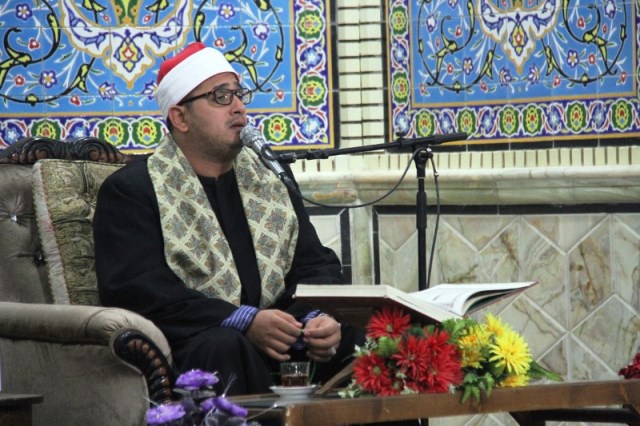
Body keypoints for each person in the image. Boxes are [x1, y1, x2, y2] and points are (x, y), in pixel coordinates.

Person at [93, 42, 363, 396]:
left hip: (280, 339)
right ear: (180, 117)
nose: (239, 107)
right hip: (196, 341)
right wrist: (245, 321)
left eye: (239, 94)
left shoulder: (270, 178)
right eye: (221, 97)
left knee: (364, 337)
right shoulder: (133, 190)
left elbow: (315, 265)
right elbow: (141, 290)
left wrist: (317, 319)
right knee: (224, 345)